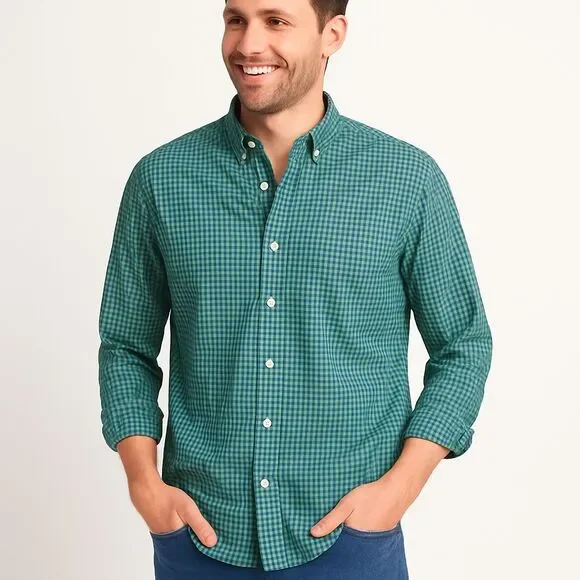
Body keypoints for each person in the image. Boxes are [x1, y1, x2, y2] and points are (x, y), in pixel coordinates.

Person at [97, 0, 493, 578]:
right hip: (201, 537)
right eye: (236, 19)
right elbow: (125, 346)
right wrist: (145, 486)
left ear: (332, 34)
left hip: (350, 541)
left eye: (276, 21)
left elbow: (463, 346)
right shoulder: (161, 179)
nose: (248, 44)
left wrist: (397, 491)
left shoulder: (407, 180)